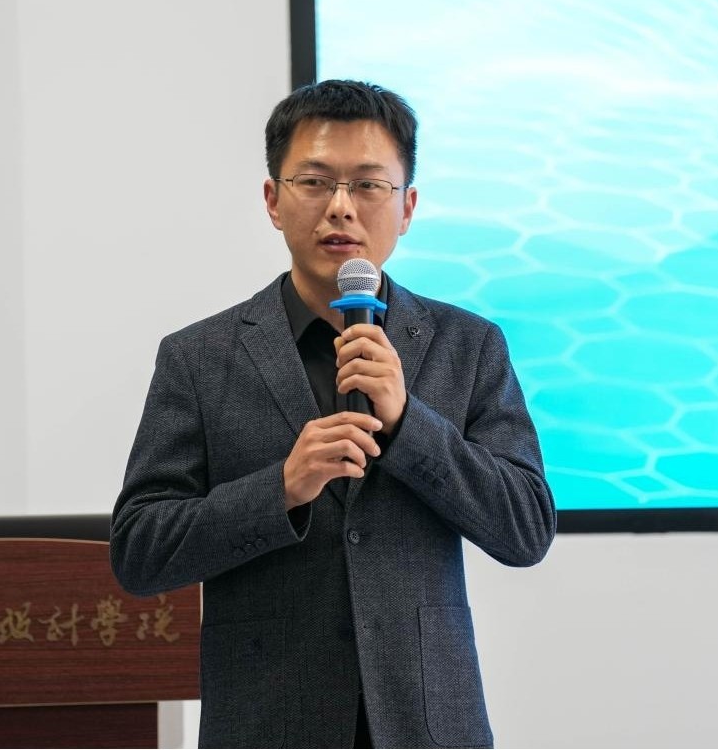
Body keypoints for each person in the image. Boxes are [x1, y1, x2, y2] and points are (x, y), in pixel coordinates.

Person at [111, 79, 556, 749]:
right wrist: (281, 490)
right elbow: (140, 552)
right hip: (267, 725)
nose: (341, 207)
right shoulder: (199, 358)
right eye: (315, 182)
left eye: (368, 185)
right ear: (273, 200)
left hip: (426, 725)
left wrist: (408, 424)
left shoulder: (467, 347)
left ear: (406, 207)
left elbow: (524, 530)